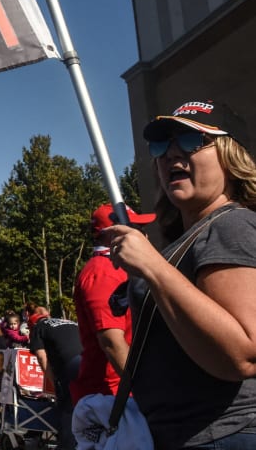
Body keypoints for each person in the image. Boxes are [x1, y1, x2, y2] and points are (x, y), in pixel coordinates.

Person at [109, 99, 256, 449]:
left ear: (229, 154)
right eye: (161, 145)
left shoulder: (231, 225)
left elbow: (242, 355)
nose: (171, 154)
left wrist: (153, 267)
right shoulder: (187, 238)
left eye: (191, 141)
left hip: (223, 435)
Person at [71, 203, 154, 403]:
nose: (144, 235)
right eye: (137, 228)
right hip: (113, 397)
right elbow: (111, 341)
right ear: (113, 233)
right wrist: (147, 392)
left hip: (120, 393)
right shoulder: (104, 272)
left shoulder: (115, 268)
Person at [27, 307, 81, 450]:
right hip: (89, 362)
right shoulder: (69, 321)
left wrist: (53, 383)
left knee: (66, 409)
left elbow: (41, 356)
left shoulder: (39, 327)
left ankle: (67, 446)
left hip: (70, 366)